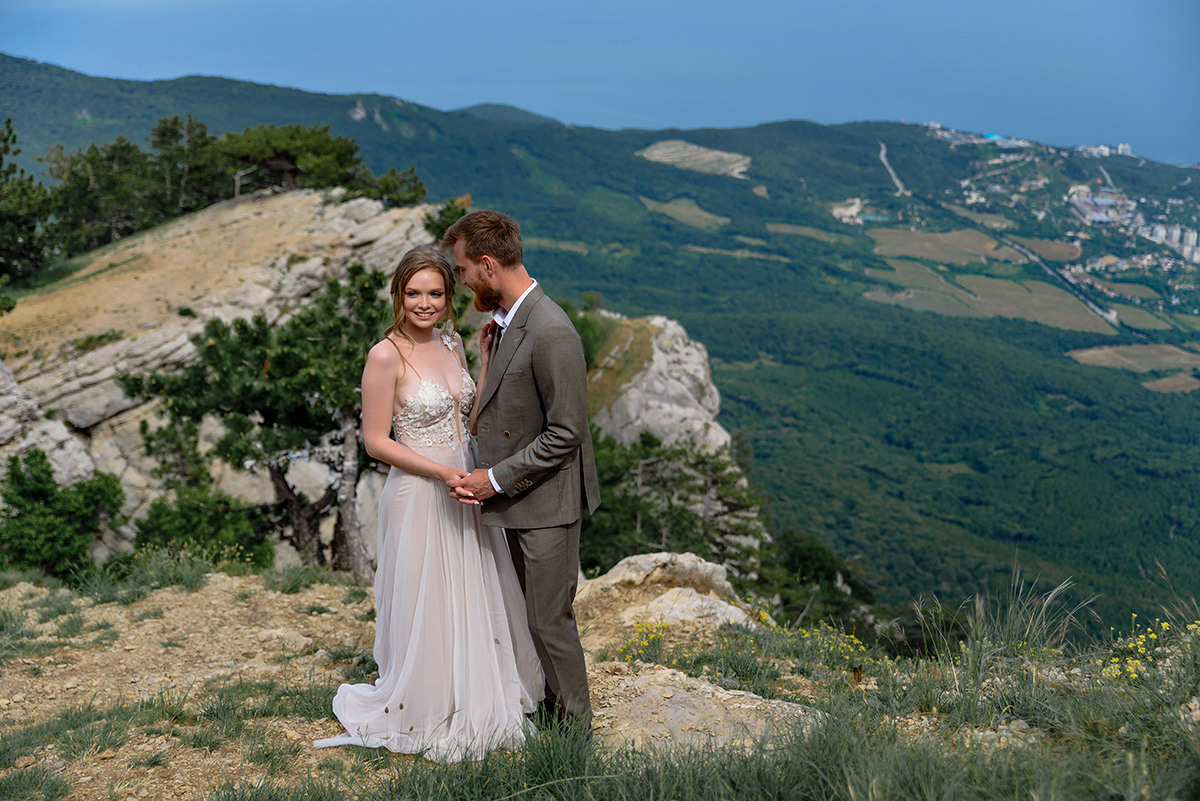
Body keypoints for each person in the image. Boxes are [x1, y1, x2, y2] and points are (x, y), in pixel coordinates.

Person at [314, 245, 543, 762]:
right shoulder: (385, 354)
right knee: (429, 596)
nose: (424, 303)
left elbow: (469, 416)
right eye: (413, 293)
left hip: (465, 481)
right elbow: (375, 441)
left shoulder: (451, 342)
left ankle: (474, 689)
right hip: (421, 491)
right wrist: (440, 471)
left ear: (447, 297)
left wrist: (483, 363)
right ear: (399, 294)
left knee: (474, 586)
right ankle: (429, 699)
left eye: (435, 293)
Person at [441, 210, 601, 731]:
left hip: (547, 503)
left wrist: (493, 479)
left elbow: (566, 432)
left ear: (488, 266)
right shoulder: (509, 324)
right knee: (528, 615)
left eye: (463, 269)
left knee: (548, 618)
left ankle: (576, 732)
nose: (460, 280)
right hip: (519, 500)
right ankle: (551, 710)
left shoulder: (552, 329)